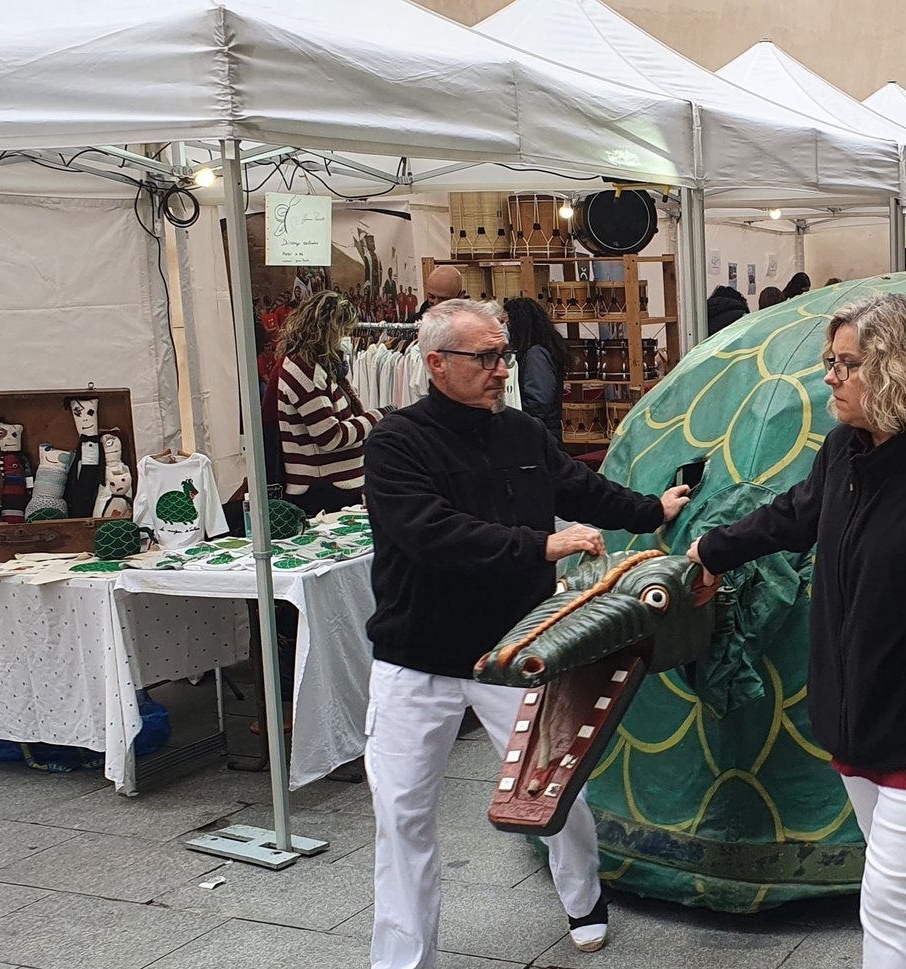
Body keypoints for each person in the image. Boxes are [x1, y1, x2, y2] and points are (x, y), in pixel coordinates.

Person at [686, 293, 906, 969]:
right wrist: (711, 549)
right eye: (831, 360)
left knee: (884, 891)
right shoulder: (845, 451)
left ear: (898, 370)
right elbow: (794, 515)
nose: (830, 376)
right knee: (898, 889)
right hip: (856, 721)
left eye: (848, 363)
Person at [360, 299, 692, 967]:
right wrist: (540, 545)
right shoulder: (396, 442)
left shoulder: (520, 432)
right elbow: (430, 532)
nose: (499, 369)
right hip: (416, 657)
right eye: (483, 357)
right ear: (435, 363)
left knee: (557, 789)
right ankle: (400, 957)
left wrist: (651, 507)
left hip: (519, 652)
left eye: (501, 355)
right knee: (401, 813)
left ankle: (583, 898)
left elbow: (580, 486)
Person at [270, 290, 381, 515]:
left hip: (331, 486)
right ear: (328, 330)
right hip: (323, 490)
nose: (346, 338)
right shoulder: (305, 370)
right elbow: (329, 436)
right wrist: (377, 417)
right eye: (343, 331)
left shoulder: (319, 367)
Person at [503, 296, 567, 445]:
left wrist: (510, 414)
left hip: (539, 434)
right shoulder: (529, 352)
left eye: (506, 322)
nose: (504, 326)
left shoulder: (536, 354)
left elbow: (539, 402)